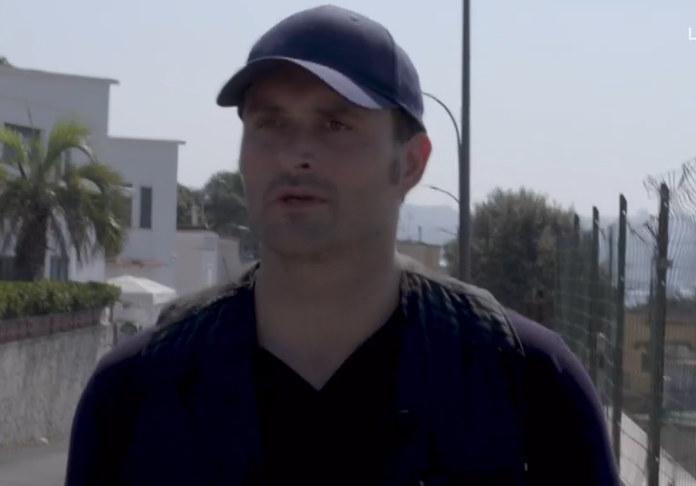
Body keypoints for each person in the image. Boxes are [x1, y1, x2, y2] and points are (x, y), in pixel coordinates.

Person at [64, 5, 621, 486]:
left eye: (336, 125)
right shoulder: (140, 390)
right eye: (270, 123)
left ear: (409, 163)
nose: (293, 155)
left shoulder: (524, 382)